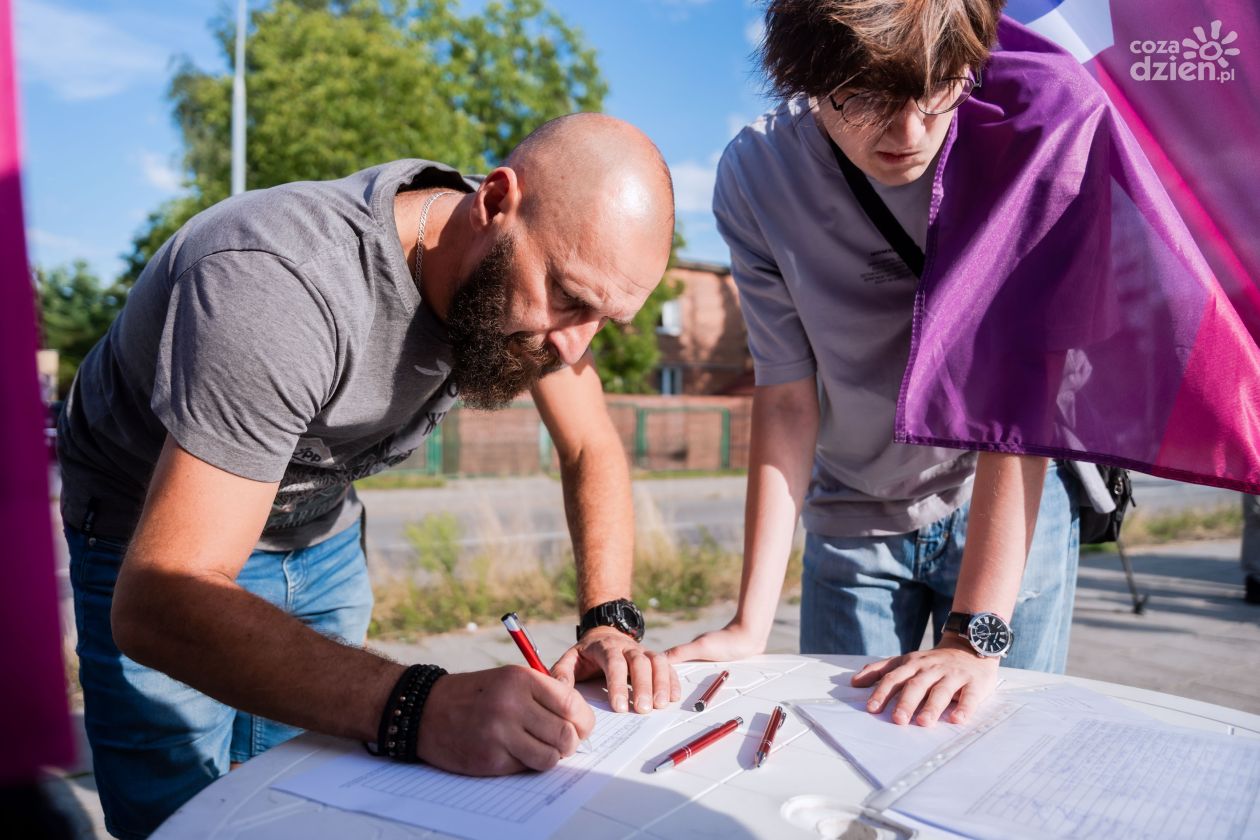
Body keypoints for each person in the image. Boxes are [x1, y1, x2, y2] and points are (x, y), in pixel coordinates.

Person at [58, 113, 680, 839]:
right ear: (494, 202)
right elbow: (160, 597)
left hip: (319, 539)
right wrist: (421, 706)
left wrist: (608, 621)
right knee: (182, 811)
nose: (576, 343)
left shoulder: (536, 282)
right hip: (148, 529)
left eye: (608, 318)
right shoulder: (275, 282)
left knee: (302, 801)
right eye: (569, 297)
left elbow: (591, 446)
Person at [668, 0, 1083, 727]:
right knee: (846, 759)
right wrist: (748, 624)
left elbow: (1022, 392)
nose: (909, 132)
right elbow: (788, 396)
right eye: (864, 96)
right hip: (852, 513)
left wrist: (974, 635)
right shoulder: (757, 177)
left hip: (1003, 502)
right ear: (802, 72)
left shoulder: (1016, 142)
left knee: (994, 758)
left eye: (938, 88)